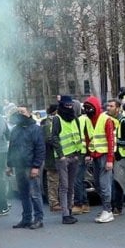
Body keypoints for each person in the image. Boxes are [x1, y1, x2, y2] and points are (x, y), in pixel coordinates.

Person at [7, 105, 45, 229]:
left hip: (30, 166)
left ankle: (38, 219)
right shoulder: (15, 129)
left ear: (29, 113)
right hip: (18, 166)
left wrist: (36, 166)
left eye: (22, 112)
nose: (20, 114)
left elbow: (40, 149)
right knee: (23, 194)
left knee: (35, 194)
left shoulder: (35, 129)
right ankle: (26, 219)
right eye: (18, 112)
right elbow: (11, 148)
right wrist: (9, 165)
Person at [81, 96, 116, 223]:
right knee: (98, 184)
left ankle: (108, 210)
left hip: (105, 156)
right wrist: (89, 154)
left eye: (89, 108)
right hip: (95, 156)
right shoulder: (89, 120)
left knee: (104, 184)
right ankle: (107, 208)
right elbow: (89, 138)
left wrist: (110, 160)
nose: (87, 111)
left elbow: (111, 140)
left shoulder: (106, 120)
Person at [56, 96, 82, 224]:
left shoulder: (75, 119)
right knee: (64, 186)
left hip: (74, 156)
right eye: (66, 105)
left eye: (70, 105)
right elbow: (53, 138)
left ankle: (69, 210)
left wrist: (78, 154)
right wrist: (61, 155)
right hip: (63, 158)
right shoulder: (57, 119)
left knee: (71, 185)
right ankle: (65, 214)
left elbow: (78, 137)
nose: (69, 107)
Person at [107, 99, 125, 216]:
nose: (108, 108)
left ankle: (118, 207)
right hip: (111, 154)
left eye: (111, 106)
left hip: (120, 155)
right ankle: (112, 206)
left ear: (117, 108)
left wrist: (114, 142)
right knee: (111, 182)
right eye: (108, 106)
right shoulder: (108, 120)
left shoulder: (123, 121)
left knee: (118, 181)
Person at [40, 104, 61, 212]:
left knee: (58, 181)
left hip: (57, 156)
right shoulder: (48, 124)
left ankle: (57, 201)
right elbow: (49, 139)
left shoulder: (54, 121)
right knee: (53, 181)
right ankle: (54, 202)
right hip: (51, 157)